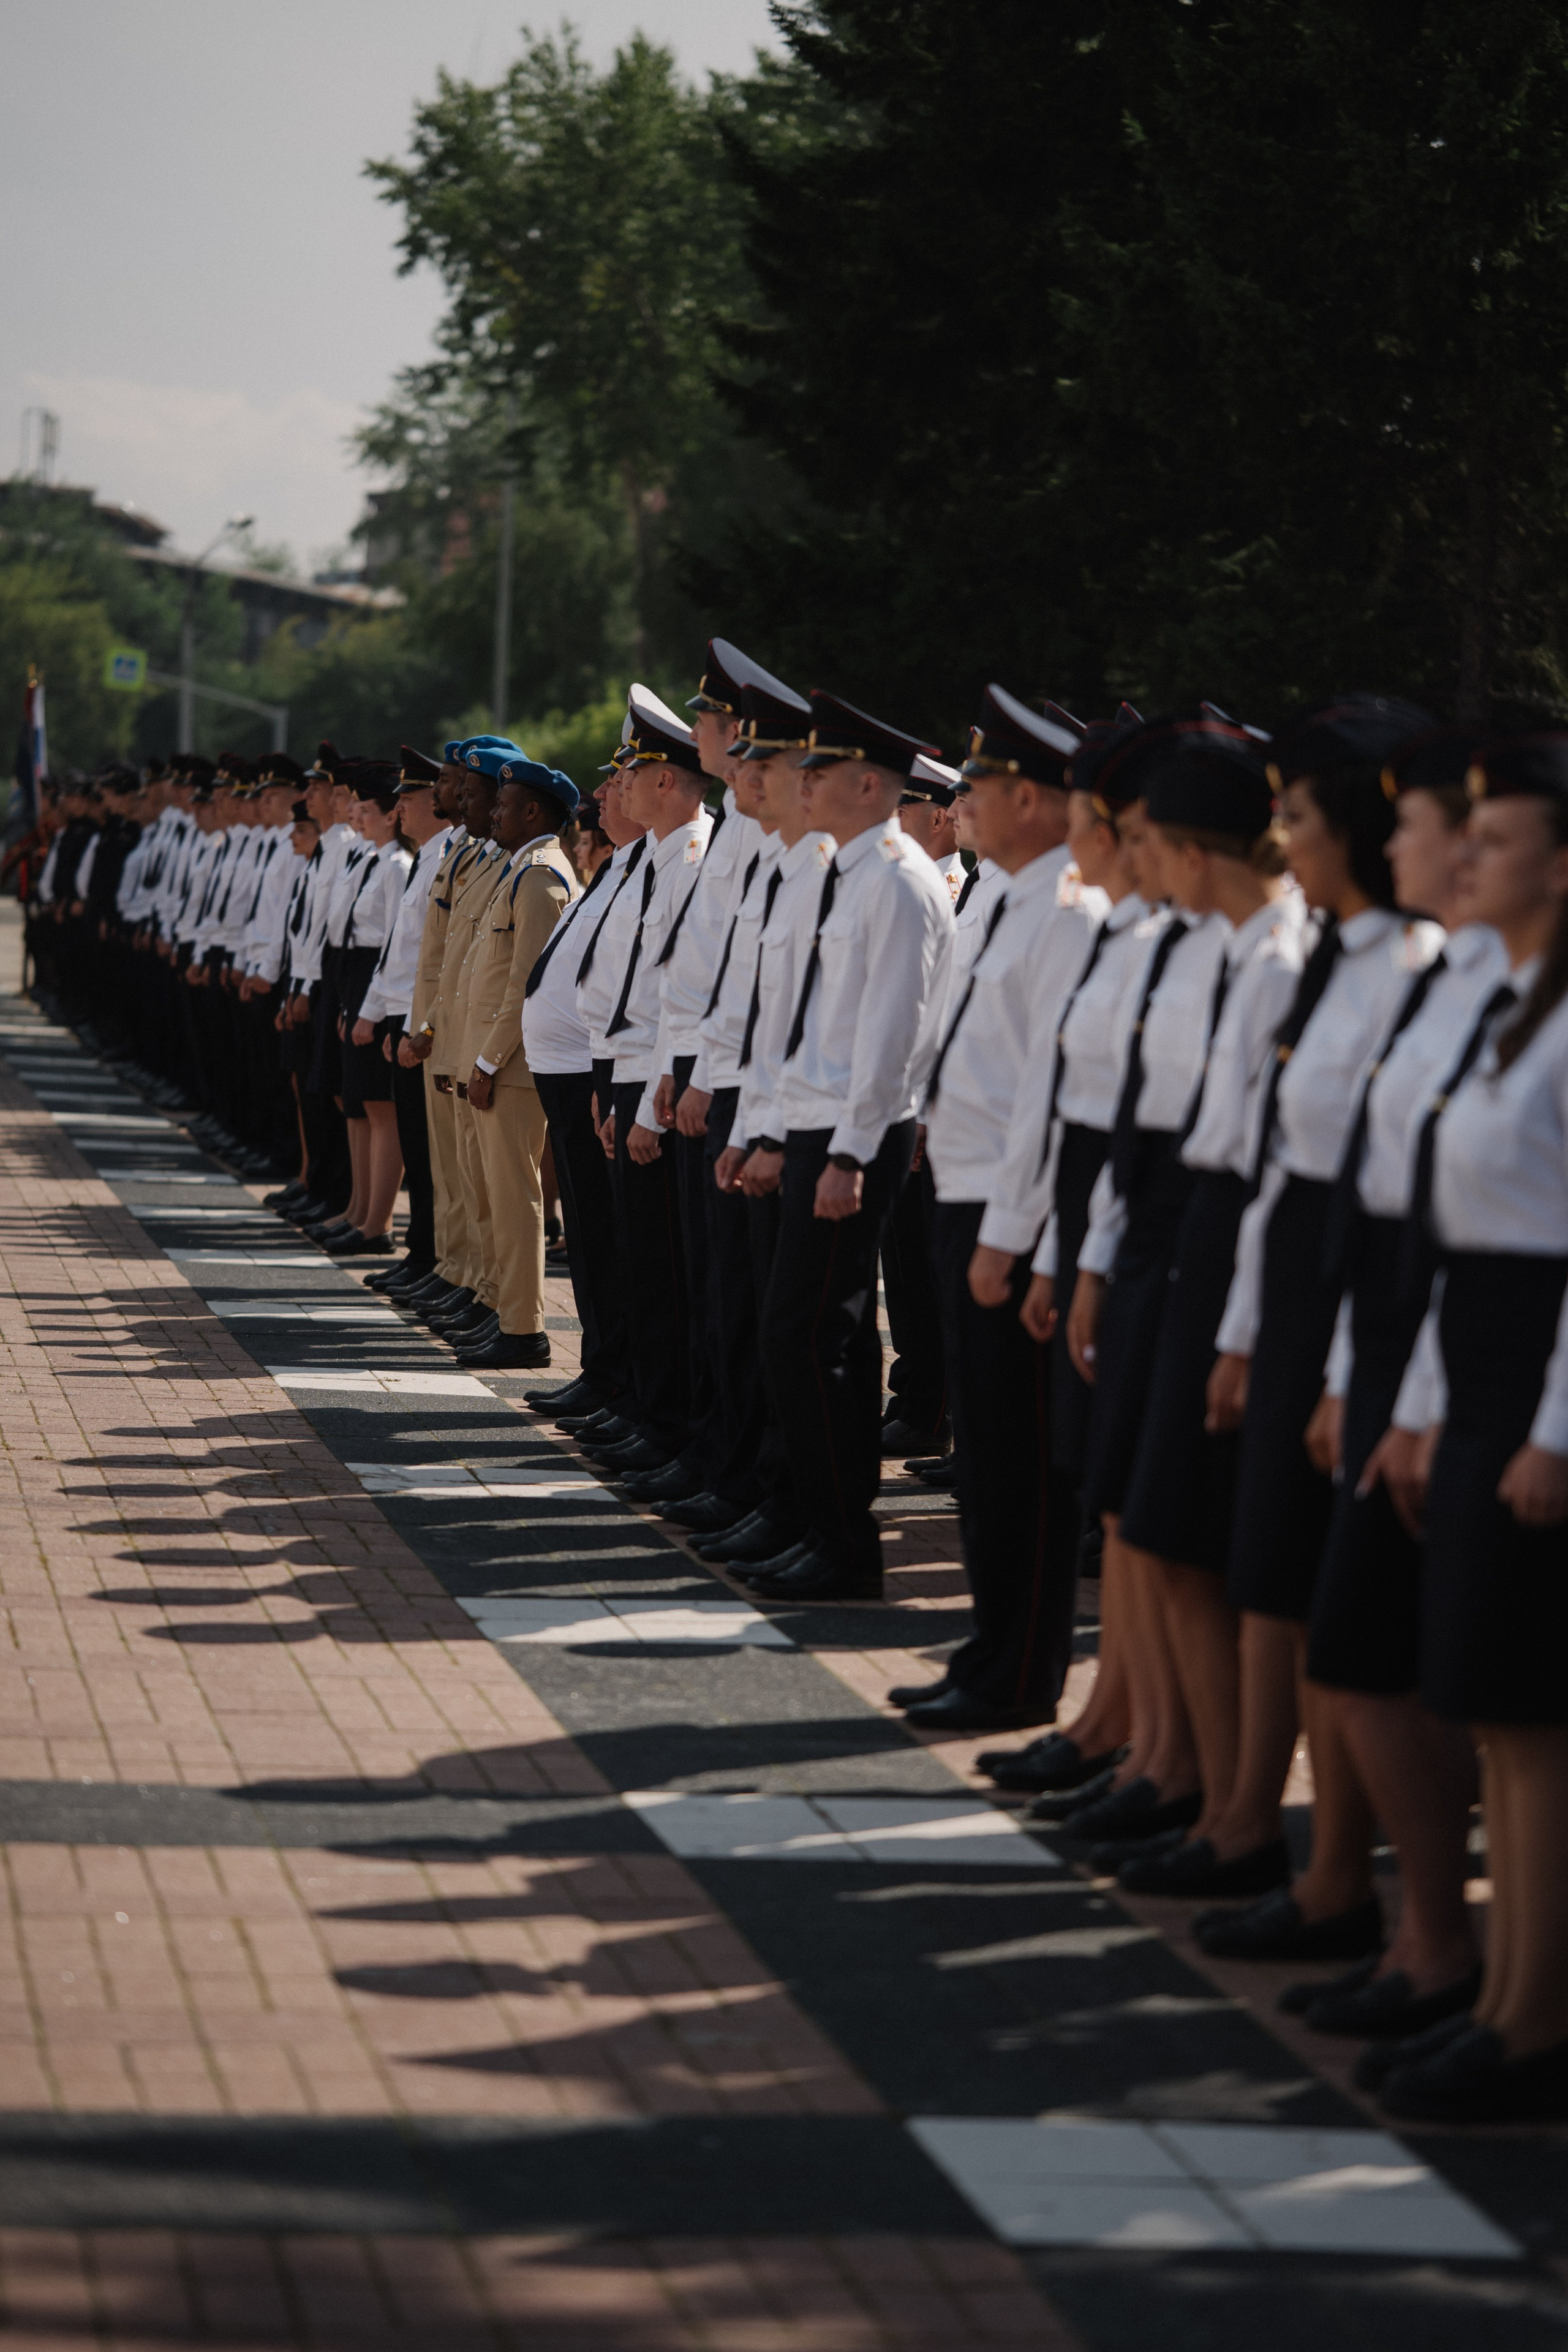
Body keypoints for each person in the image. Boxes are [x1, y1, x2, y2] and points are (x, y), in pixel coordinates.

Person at [1194, 694, 1442, 1966]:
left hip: (1369, 1296)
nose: (1278, 838)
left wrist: (1345, 1360)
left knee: (1329, 1604)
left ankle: (1349, 1884)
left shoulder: (1408, 970)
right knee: (1271, 1573)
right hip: (1297, 1279)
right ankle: (1299, 1862)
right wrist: (1244, 1327)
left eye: (1293, 813)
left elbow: (1370, 1187)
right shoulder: (1337, 958)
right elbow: (1281, 1174)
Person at [1371, 733, 1568, 2124]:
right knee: (1490, 1714)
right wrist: (1422, 1408)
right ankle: (1497, 1999)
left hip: (1536, 1382)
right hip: (1473, 1366)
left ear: (1555, 868)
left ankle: (1534, 2016)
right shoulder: (1501, 1005)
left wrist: (1549, 1427)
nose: (1465, 857)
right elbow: (1455, 1238)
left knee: (1534, 1720)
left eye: (1492, 841)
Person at [910, 686, 1103, 1728]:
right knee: (984, 1455)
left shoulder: (1066, 914)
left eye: (978, 783)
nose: (962, 798)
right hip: (965, 1194)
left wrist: (1010, 1237)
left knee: (1021, 1459)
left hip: (1006, 1211)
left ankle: (1025, 1673)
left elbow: (1048, 1096)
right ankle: (989, 1650)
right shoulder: (1010, 897)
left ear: (1029, 798)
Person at [742, 688, 956, 1602]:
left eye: (820, 771)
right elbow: (810, 1024)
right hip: (818, 1125)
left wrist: (849, 1152)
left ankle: (843, 1540)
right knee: (801, 1330)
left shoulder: (900, 881)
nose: (807, 782)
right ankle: (811, 1518)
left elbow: (891, 1034)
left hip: (854, 1133)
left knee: (815, 1331)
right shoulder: (849, 870)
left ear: (868, 784)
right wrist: (768, 1129)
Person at [576, 689, 713, 1472]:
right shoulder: (654, 860)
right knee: (642, 1261)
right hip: (632, 1073)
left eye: (632, 772)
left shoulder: (692, 859)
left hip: (661, 1083)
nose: (616, 789)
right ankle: (646, 1410)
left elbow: (679, 997)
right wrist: (613, 1080)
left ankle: (668, 1425)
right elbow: (630, 984)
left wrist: (647, 1099)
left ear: (667, 781)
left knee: (667, 1271)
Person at [456, 750, 581, 1370]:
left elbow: (527, 985)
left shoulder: (540, 879)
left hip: (515, 1066)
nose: (494, 813)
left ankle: (524, 1328)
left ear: (534, 811)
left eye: (504, 806)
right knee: (496, 1195)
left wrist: (487, 1061)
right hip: (497, 1061)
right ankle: (505, 1313)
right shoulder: (518, 870)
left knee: (516, 1199)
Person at [880, 751, 967, 1460]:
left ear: (938, 817)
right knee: (904, 1266)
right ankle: (916, 1395)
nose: (894, 821)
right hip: (914, 1108)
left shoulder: (949, 888)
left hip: (938, 1115)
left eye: (904, 808)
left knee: (928, 1271)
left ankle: (930, 1407)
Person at [355, 747, 456, 1295]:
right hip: (403, 1013)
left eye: (410, 797)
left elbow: (431, 959)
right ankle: (423, 1254)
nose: (400, 809)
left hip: (421, 1019)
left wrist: (413, 1027)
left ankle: (431, 1257)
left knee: (428, 1151)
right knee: (419, 1149)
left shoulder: (443, 858)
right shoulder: (426, 857)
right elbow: (402, 949)